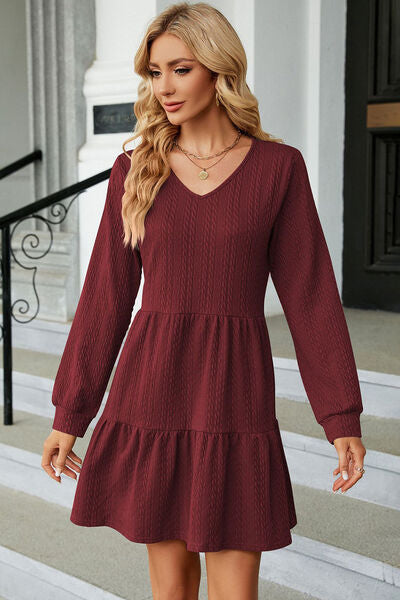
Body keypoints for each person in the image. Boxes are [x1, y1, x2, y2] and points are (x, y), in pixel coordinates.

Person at [41, 2, 366, 599]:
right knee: (171, 591)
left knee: (236, 592)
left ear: (219, 71)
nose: (163, 87)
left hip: (235, 397)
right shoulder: (136, 171)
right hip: (153, 391)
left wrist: (340, 414)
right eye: (154, 72)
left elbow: (311, 296)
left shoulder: (278, 169)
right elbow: (105, 299)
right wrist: (70, 413)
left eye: (180, 69)